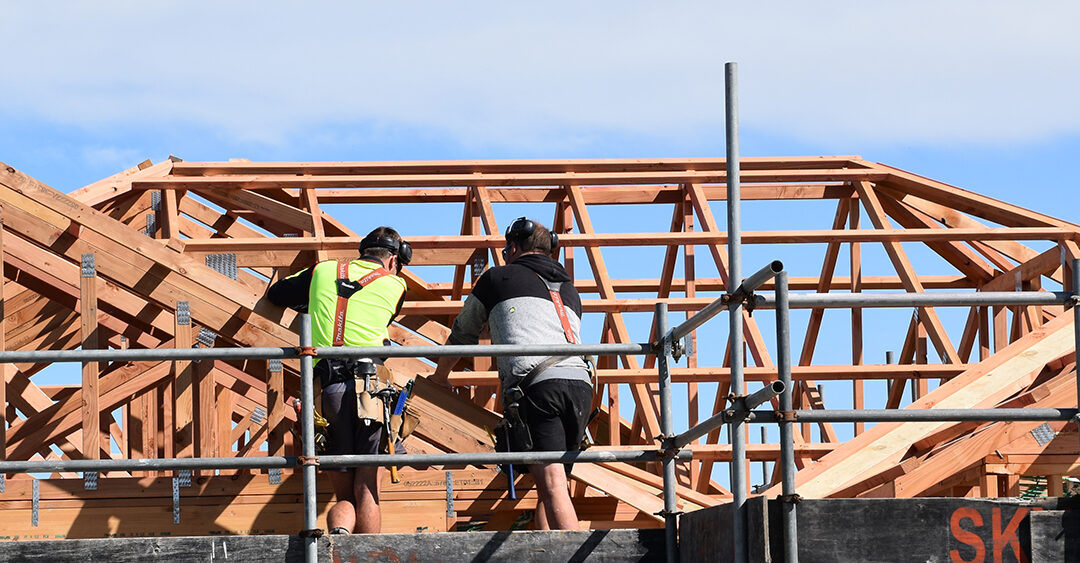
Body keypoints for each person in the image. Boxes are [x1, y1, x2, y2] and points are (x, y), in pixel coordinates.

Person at [431, 217, 593, 530]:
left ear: (513, 248)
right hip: (581, 386)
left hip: (539, 387)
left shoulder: (498, 279)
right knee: (553, 486)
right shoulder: (570, 290)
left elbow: (464, 332)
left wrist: (440, 377)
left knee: (553, 485)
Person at [267, 226, 410, 535]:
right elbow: (379, 318)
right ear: (393, 260)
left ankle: (338, 540)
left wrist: (315, 303)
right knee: (367, 489)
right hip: (371, 391)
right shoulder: (396, 285)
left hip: (327, 391)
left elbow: (276, 294)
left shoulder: (324, 270)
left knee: (343, 494)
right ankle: (367, 558)